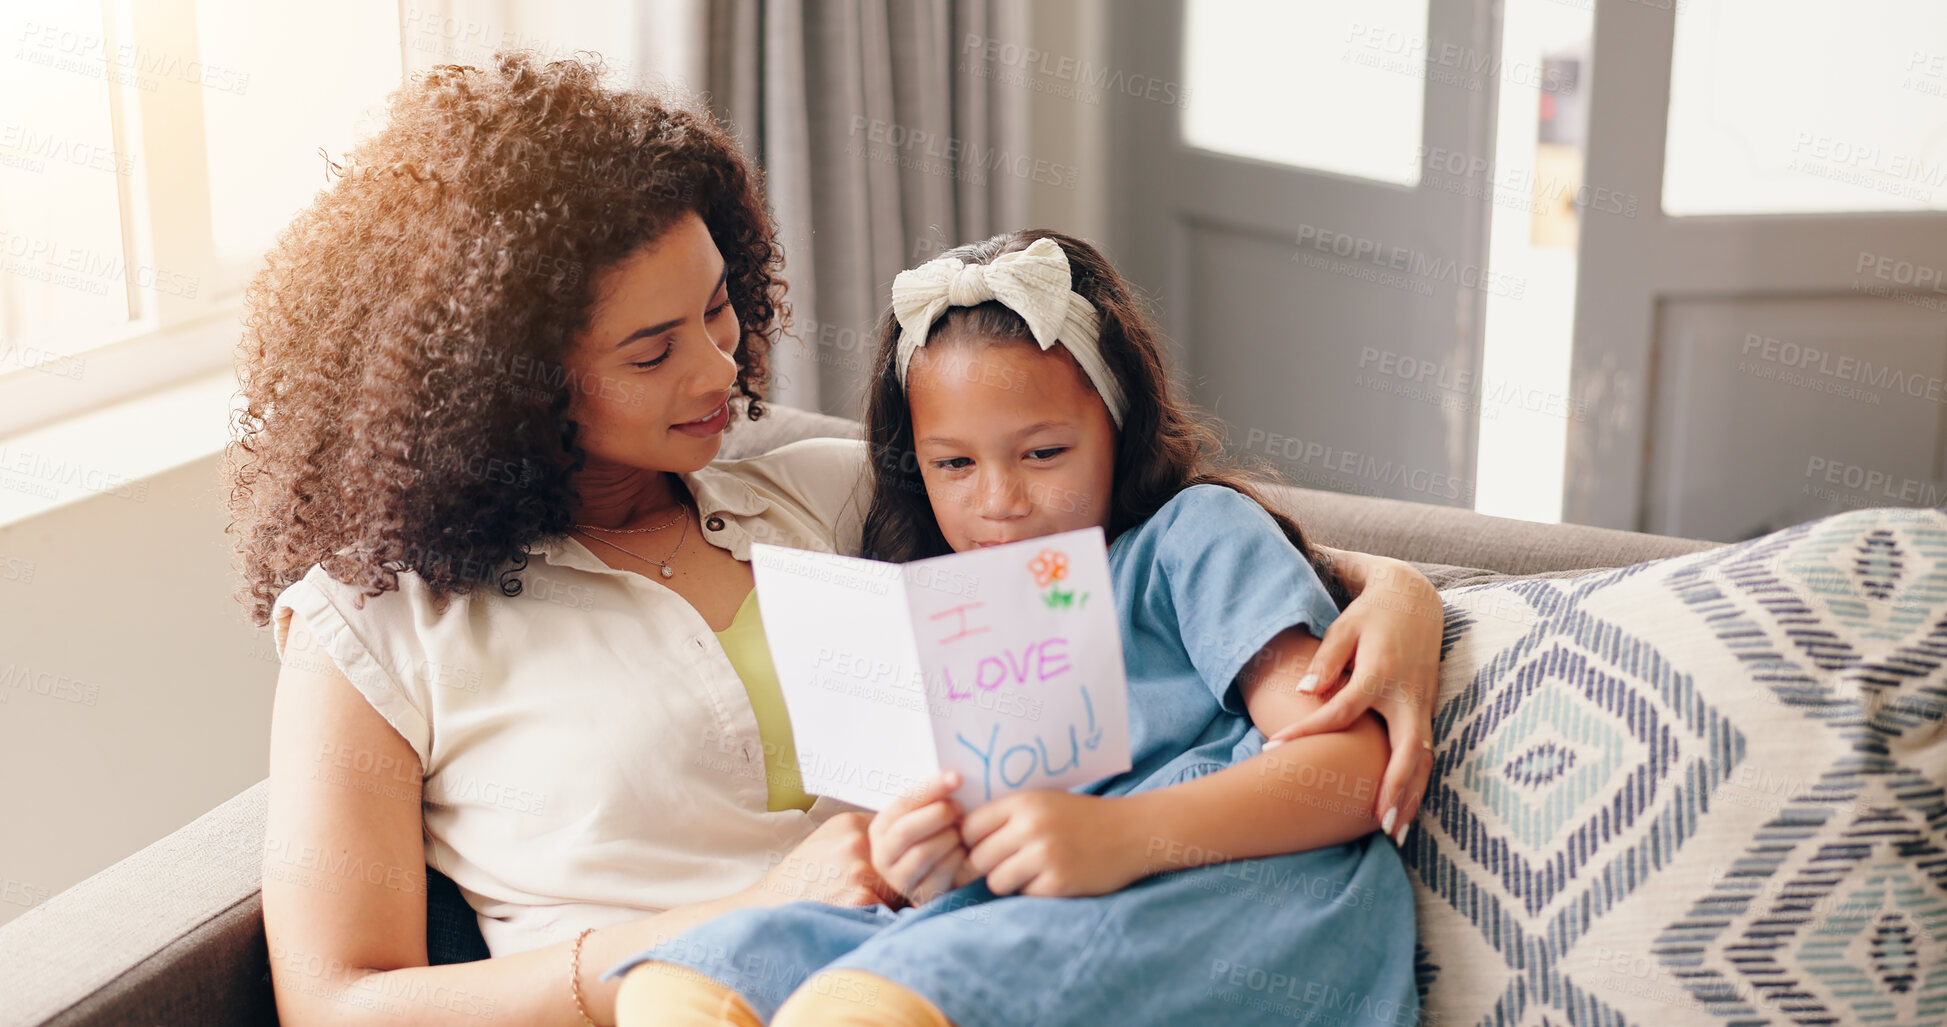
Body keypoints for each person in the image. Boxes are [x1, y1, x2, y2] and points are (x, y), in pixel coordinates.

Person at [235, 54, 1443, 1027]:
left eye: (718, 306)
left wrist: (1401, 600)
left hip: (967, 960)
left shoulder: (818, 497)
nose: (723, 368)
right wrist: (741, 909)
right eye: (653, 350)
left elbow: (1158, 530)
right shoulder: (371, 629)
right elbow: (337, 998)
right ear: (497, 383)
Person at [606, 231, 1422, 1027]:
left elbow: (1347, 769)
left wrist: (1116, 834)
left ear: (1120, 428)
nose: (999, 501)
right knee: (695, 971)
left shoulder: (1191, 538)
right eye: (953, 465)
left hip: (1230, 903)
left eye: (1042, 453)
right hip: (1013, 924)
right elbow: (978, 866)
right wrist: (917, 858)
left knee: (860, 1004)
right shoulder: (947, 612)